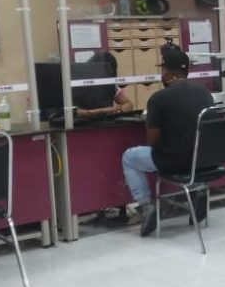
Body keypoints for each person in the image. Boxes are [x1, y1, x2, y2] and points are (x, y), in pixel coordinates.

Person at [122, 47, 214, 236]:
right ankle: (198, 189)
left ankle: (146, 206)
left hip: (175, 162)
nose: (162, 75)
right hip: (202, 161)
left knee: (129, 157)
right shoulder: (205, 93)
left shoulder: (159, 99)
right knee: (186, 149)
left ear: (169, 73)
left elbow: (152, 141)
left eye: (163, 71)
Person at [75, 52, 134, 118]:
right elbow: (75, 113)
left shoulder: (109, 86)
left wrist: (120, 110)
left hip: (105, 121)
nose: (109, 74)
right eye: (106, 71)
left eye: (111, 72)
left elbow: (129, 104)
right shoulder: (81, 85)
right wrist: (104, 111)